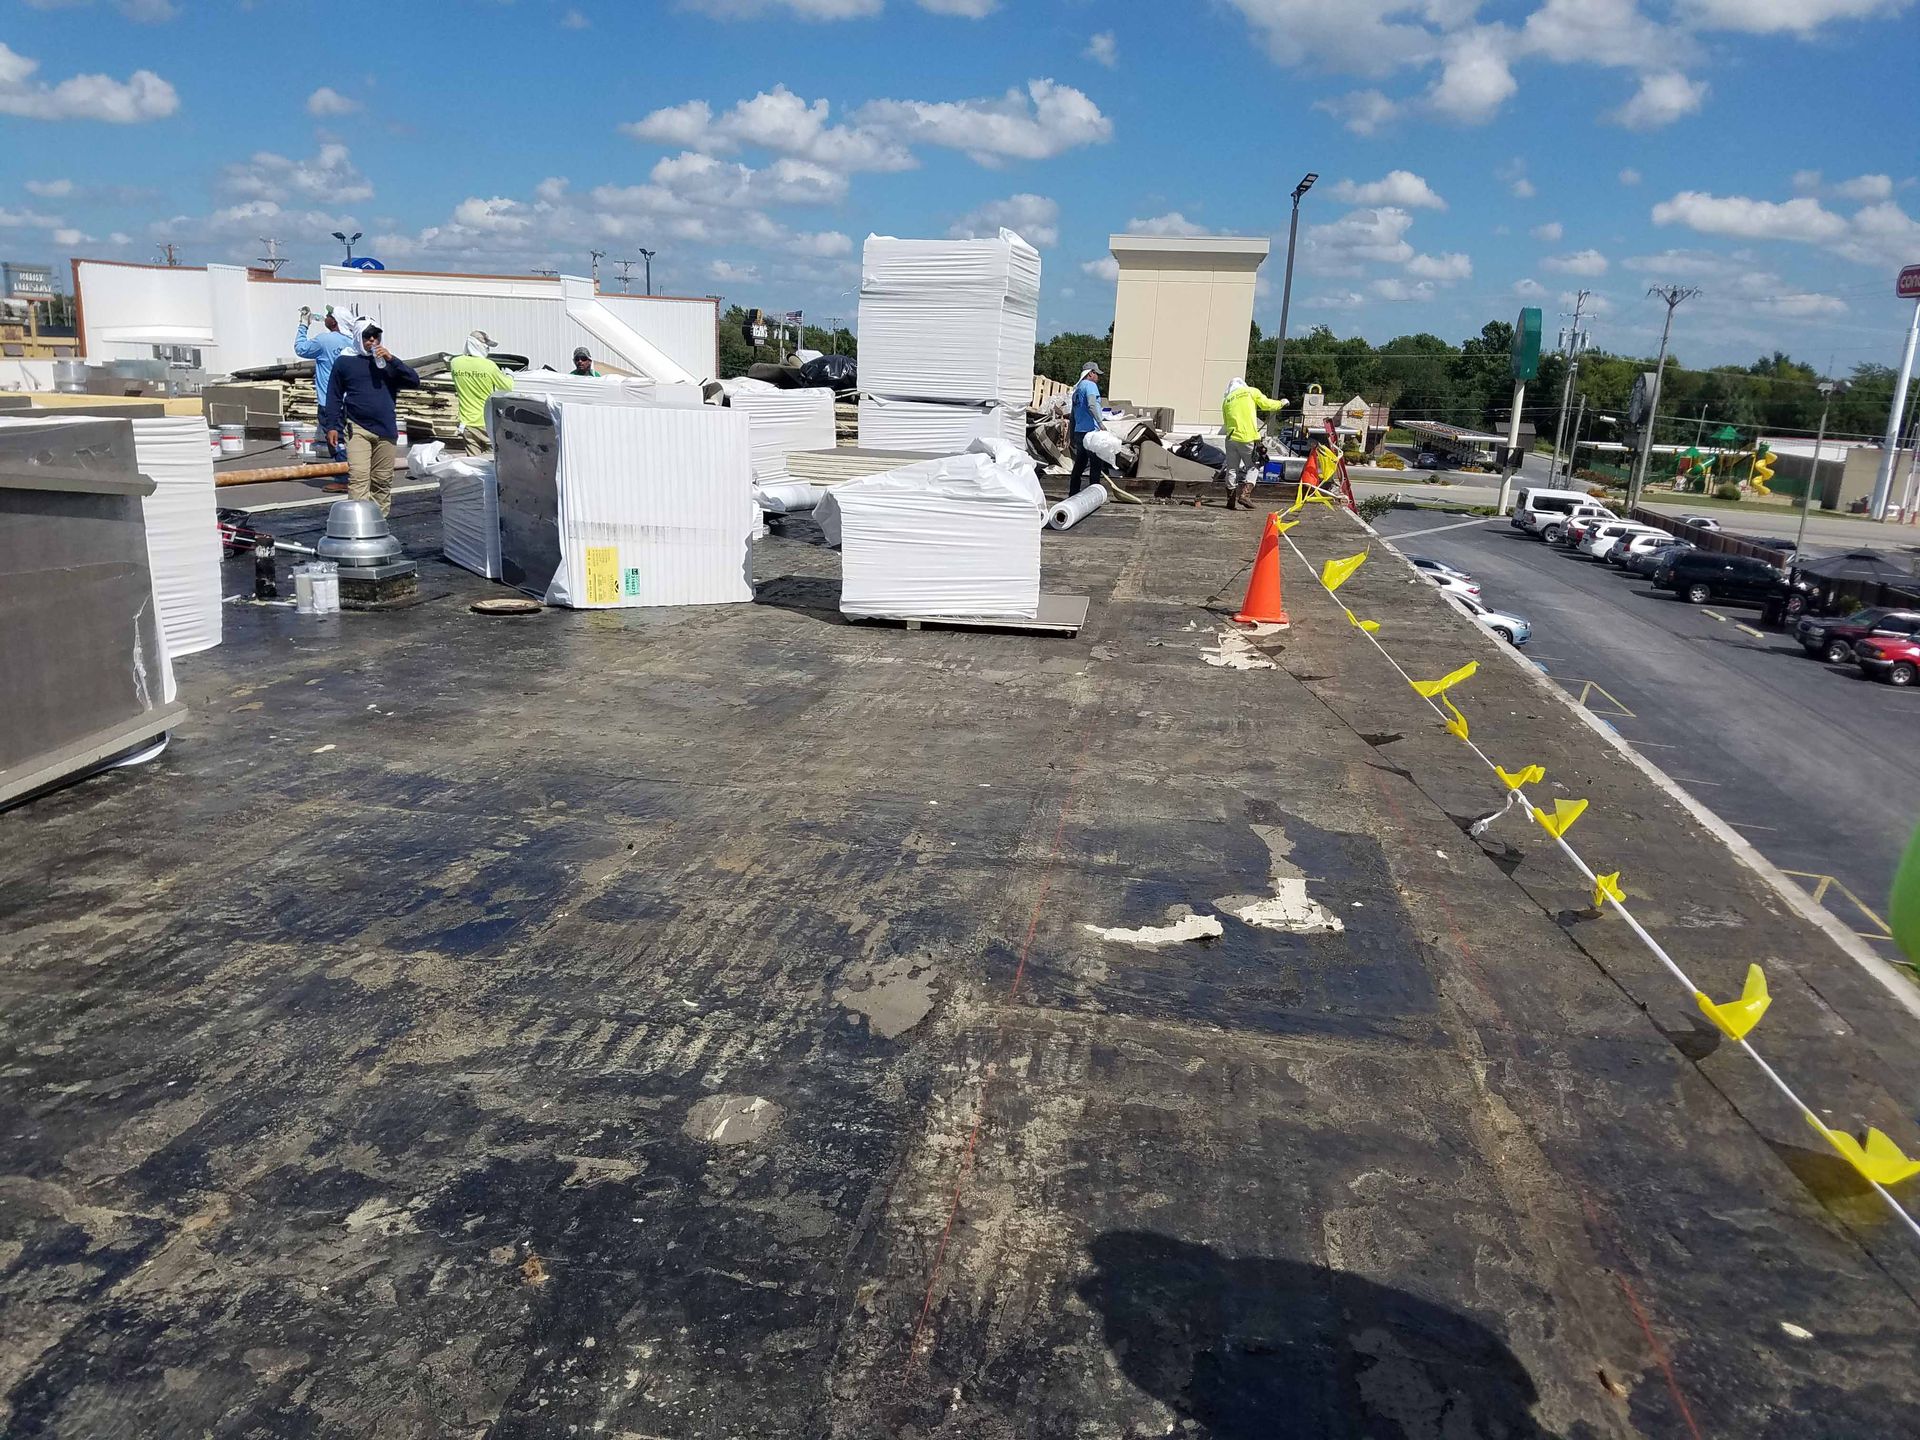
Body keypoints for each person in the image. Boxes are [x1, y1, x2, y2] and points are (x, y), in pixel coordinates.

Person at [322, 320, 421, 519]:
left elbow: (414, 381)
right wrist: (332, 426)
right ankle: (359, 524)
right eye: (367, 336)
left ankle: (379, 522)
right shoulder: (345, 361)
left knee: (382, 480)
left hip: (385, 428)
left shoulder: (387, 364)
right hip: (358, 426)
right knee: (359, 477)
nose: (372, 340)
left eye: (376, 336)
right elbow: (333, 394)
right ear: (359, 337)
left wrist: (392, 360)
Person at [1220, 377, 1289, 510]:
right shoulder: (1250, 392)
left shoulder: (1227, 401)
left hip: (1231, 438)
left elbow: (1226, 422)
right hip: (1247, 438)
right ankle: (1245, 495)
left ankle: (1230, 500)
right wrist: (1281, 404)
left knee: (1232, 469)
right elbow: (1266, 404)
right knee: (1254, 465)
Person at [294, 306, 353, 461]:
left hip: (329, 400)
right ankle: (355, 473)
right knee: (351, 438)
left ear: (334, 322)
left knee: (335, 439)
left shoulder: (324, 340)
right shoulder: (353, 342)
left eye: (328, 315)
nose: (325, 317)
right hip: (351, 400)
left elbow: (300, 348)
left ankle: (344, 478)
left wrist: (303, 325)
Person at [449, 329, 513, 452]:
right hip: (486, 422)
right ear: (478, 345)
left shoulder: (455, 363)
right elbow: (507, 387)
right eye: (486, 346)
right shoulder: (489, 366)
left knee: (474, 465)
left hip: (467, 423)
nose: (488, 350)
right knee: (491, 462)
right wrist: (510, 376)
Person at [1069, 360, 1108, 497]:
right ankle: (1094, 494)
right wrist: (1101, 424)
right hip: (1091, 432)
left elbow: (1073, 415)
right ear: (1091, 373)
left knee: (1080, 462)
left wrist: (1071, 435)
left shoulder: (1077, 390)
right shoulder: (1091, 386)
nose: (1098, 377)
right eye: (1097, 374)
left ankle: (1073, 492)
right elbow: (1092, 405)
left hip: (1079, 431)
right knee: (1096, 464)